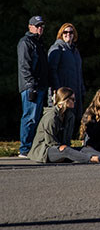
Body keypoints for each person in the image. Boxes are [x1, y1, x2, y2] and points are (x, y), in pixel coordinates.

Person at [28, 87, 100, 163]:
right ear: (64, 100)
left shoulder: (70, 116)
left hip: (61, 148)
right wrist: (63, 148)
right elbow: (50, 141)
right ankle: (92, 159)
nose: (74, 101)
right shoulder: (51, 117)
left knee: (84, 149)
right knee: (66, 150)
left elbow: (67, 139)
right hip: (45, 150)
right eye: (72, 99)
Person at [17, 15, 49, 158]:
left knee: (36, 118)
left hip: (41, 85)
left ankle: (32, 147)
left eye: (41, 26)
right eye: (37, 26)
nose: (40, 28)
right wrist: (31, 85)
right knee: (29, 117)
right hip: (31, 86)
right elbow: (24, 66)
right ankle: (25, 148)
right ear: (30, 27)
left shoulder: (39, 43)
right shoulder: (26, 42)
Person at [48, 23, 86, 123]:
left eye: (71, 32)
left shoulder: (75, 52)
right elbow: (52, 71)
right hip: (63, 92)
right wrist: (57, 90)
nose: (68, 34)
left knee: (73, 118)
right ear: (61, 34)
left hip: (75, 91)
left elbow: (79, 73)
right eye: (65, 32)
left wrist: (82, 90)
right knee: (61, 118)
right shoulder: (57, 48)